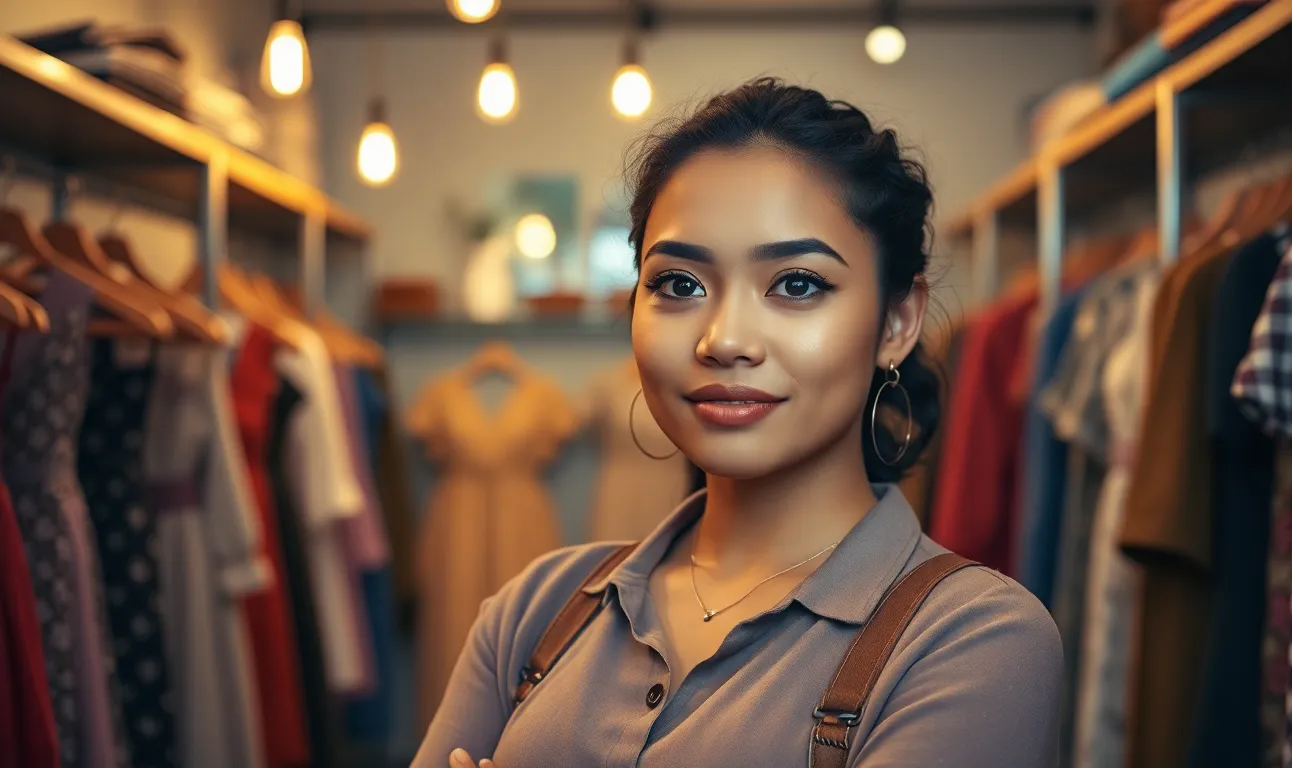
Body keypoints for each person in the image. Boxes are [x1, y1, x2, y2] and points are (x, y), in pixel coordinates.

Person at [413, 78, 1063, 768]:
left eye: (797, 283)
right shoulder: (536, 610)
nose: (724, 339)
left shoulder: (972, 639)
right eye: (679, 285)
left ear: (897, 322)